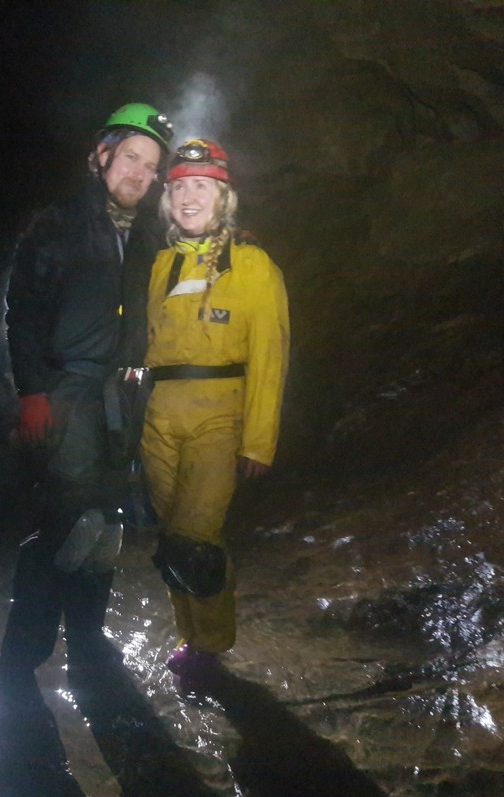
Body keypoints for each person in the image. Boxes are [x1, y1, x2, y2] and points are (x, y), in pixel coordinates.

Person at [0, 103, 173, 703]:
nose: (139, 174)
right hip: (68, 392)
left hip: (123, 397)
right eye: (131, 158)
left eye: (150, 167)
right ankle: (23, 654)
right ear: (102, 156)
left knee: (108, 524)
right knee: (70, 522)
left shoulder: (148, 235)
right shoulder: (58, 224)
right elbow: (23, 313)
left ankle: (88, 641)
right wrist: (33, 391)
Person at [140, 138, 290, 692]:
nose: (189, 197)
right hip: (159, 415)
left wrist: (259, 440)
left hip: (220, 413)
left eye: (201, 186)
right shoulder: (160, 264)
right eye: (179, 187)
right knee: (172, 537)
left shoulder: (252, 266)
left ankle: (211, 644)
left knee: (196, 537)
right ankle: (191, 635)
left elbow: (271, 355)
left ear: (223, 197)